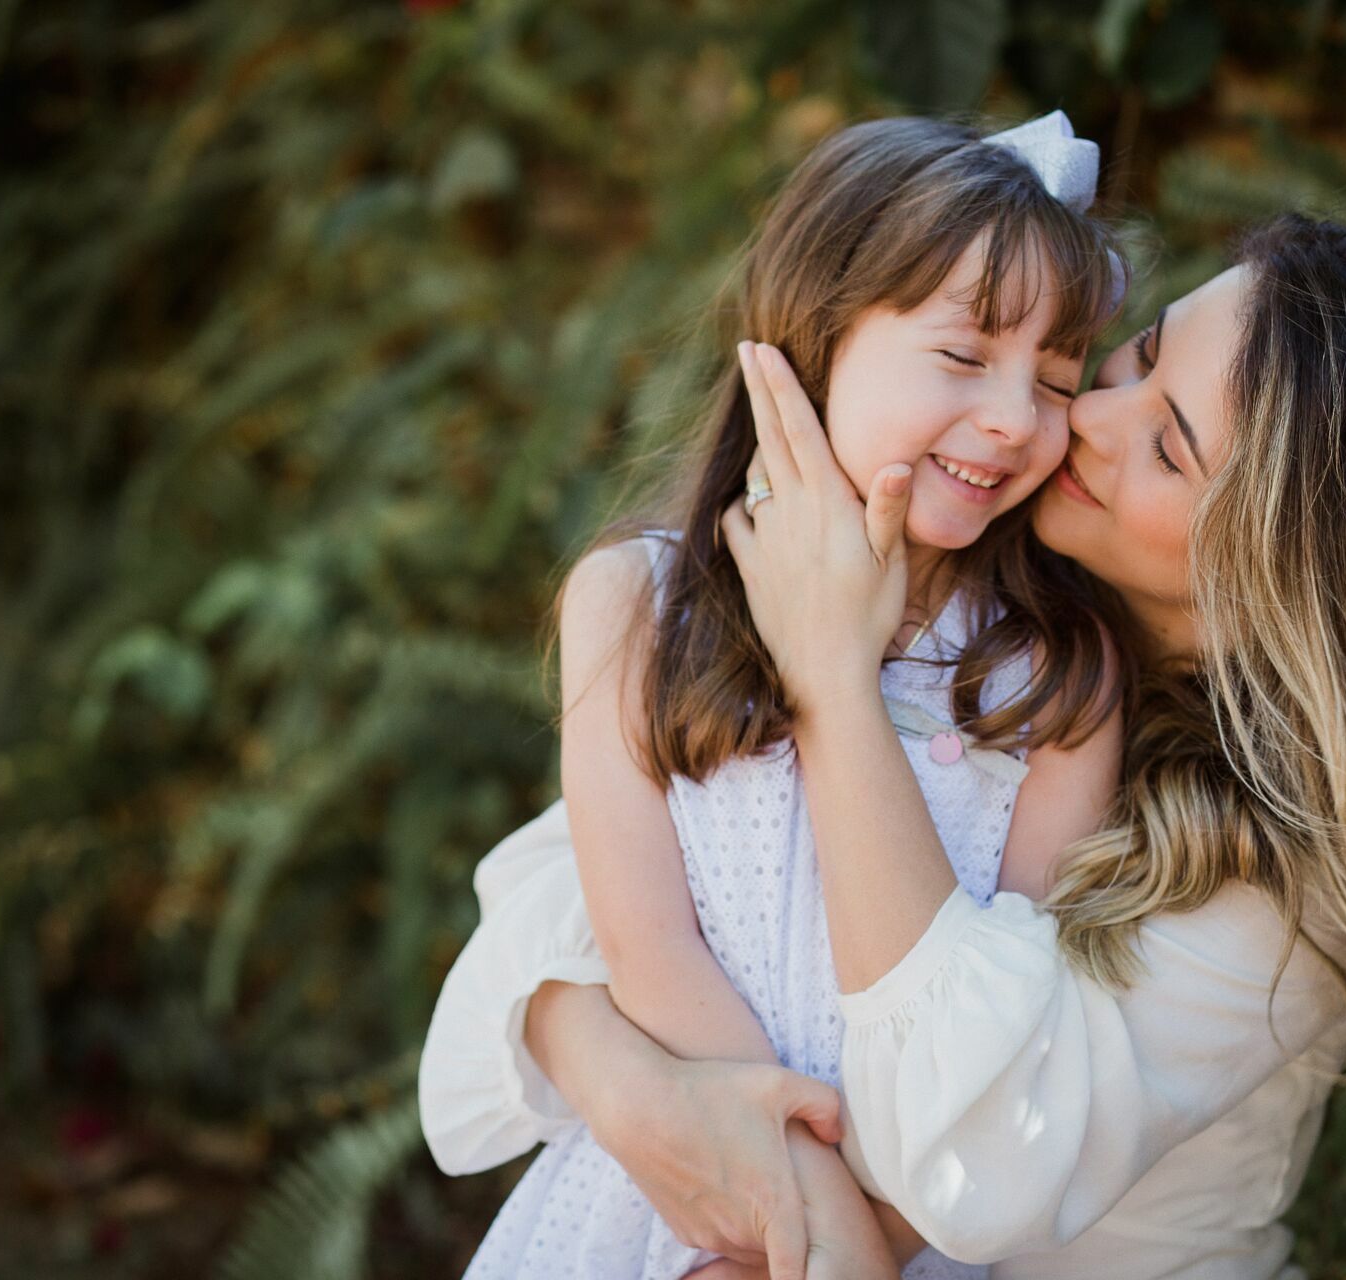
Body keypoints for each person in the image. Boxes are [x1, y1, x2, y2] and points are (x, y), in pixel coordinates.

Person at [423, 210, 1346, 1280]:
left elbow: (966, 1159)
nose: (1079, 415)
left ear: (1296, 582)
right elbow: (581, 878)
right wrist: (635, 1089)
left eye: (1170, 447)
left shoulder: (1287, 880)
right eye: (1138, 356)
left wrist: (834, 676)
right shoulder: (987, 613)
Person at [449, 111, 1129, 1280]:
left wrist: (863, 1240)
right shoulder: (635, 605)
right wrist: (801, 1211)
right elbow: (648, 949)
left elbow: (1017, 1002)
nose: (1018, 418)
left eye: (1057, 379)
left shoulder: (1056, 676)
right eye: (965, 357)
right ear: (809, 342)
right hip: (685, 1186)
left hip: (912, 1214)